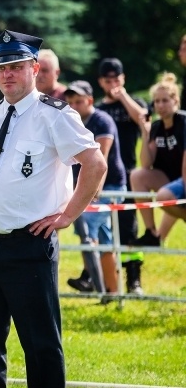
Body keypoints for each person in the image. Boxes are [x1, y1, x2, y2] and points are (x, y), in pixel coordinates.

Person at [0, 30, 106, 388]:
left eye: (16, 67)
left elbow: (95, 163)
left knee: (41, 344)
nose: (7, 75)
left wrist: (67, 215)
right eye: (2, 68)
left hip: (28, 247)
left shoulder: (55, 115)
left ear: (34, 70)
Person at [63, 80, 125, 299]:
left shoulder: (102, 120)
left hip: (109, 185)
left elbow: (102, 159)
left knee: (90, 232)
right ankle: (109, 291)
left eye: (78, 101)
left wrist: (93, 192)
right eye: (69, 102)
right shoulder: (68, 121)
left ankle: (97, 283)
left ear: (89, 100)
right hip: (85, 186)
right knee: (102, 238)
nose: (74, 106)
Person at [95, 57, 148, 294]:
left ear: (123, 79)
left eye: (117, 79)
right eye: (108, 81)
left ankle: (133, 279)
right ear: (100, 82)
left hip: (129, 174)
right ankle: (102, 279)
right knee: (102, 229)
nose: (113, 84)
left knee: (129, 229)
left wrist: (123, 96)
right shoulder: (99, 110)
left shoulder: (133, 102)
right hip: (105, 176)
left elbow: (142, 118)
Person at [131, 73, 186, 242]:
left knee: (164, 196)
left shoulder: (183, 122)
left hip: (184, 177)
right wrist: (145, 132)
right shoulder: (156, 127)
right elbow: (146, 164)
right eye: (157, 101)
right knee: (137, 175)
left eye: (165, 100)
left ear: (175, 101)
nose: (160, 105)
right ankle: (151, 233)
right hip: (170, 180)